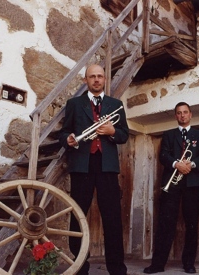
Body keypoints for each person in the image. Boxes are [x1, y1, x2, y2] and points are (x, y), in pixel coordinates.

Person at [60, 64, 129, 275]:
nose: (96, 80)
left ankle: (116, 268)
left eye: (100, 76)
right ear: (85, 80)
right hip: (82, 165)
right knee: (78, 215)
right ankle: (80, 265)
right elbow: (64, 133)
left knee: (112, 217)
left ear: (105, 79)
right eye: (92, 77)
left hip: (107, 166)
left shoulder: (115, 104)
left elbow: (124, 135)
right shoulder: (74, 104)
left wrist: (112, 131)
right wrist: (69, 140)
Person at [143, 102, 199, 274]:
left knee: (192, 224)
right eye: (179, 113)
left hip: (192, 184)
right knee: (165, 223)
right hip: (171, 184)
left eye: (185, 112)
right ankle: (158, 264)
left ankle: (189, 263)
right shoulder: (168, 135)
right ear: (176, 116)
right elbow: (163, 155)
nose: (182, 115)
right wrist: (176, 164)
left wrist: (192, 164)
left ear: (190, 114)